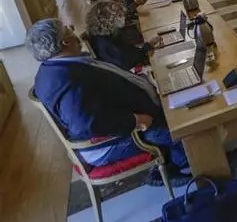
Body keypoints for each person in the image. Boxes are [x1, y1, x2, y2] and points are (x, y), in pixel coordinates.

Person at [28, 19, 189, 185]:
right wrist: (135, 120)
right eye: (67, 29)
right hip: (115, 140)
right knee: (185, 126)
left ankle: (176, 159)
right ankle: (185, 166)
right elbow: (84, 125)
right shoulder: (68, 81)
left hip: (128, 119)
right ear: (65, 42)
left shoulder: (54, 67)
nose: (72, 29)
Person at [86, 0, 159, 71]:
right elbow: (128, 61)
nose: (123, 17)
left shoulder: (102, 33)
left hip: (129, 60)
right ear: (109, 21)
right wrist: (148, 46)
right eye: (120, 15)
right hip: (130, 69)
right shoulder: (106, 44)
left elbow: (128, 51)